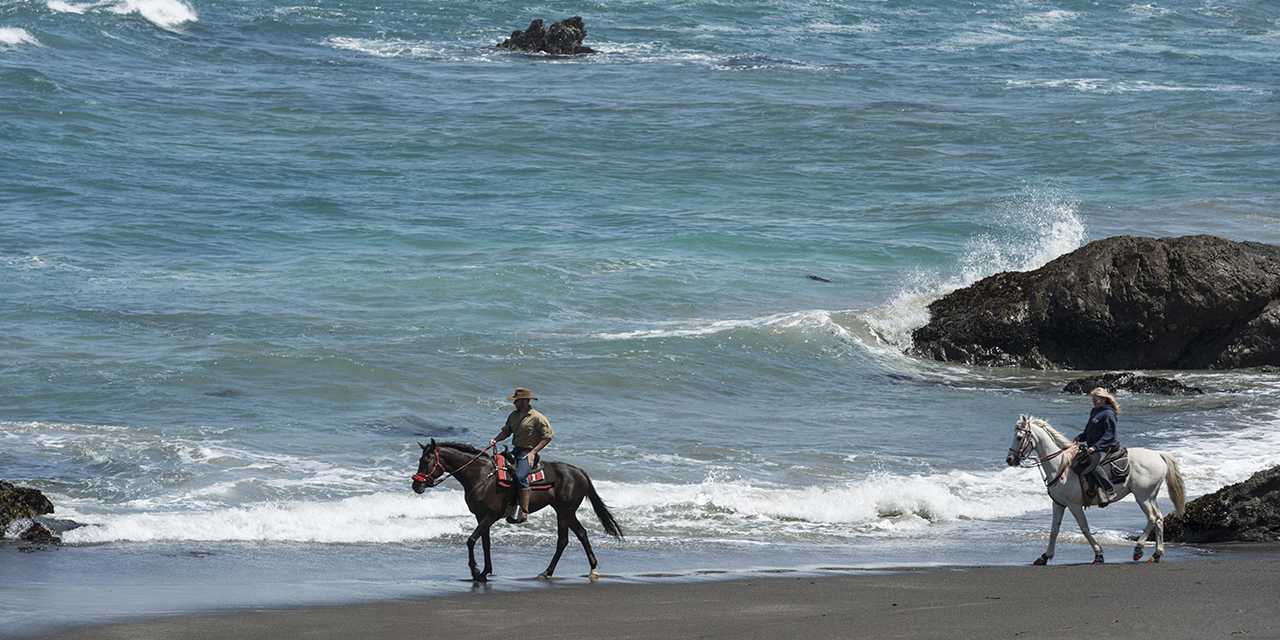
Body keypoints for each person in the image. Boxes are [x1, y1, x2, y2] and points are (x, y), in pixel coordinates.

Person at [488, 387, 553, 524]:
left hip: (528, 452)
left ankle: (523, 511)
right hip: (516, 450)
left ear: (524, 401)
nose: (514, 403)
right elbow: (506, 432)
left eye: (516, 401)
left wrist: (533, 452)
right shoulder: (513, 415)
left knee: (519, 476)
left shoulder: (537, 417)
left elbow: (547, 437)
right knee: (494, 467)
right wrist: (495, 439)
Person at [1073, 387, 1120, 505]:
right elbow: (1088, 431)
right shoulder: (1095, 411)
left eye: (1096, 398)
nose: (1093, 401)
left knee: (1094, 463)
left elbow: (1110, 435)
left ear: (1104, 399)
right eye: (1093, 398)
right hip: (1093, 447)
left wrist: (1095, 447)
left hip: (1106, 447)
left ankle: (1109, 490)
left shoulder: (1109, 414)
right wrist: (1079, 438)